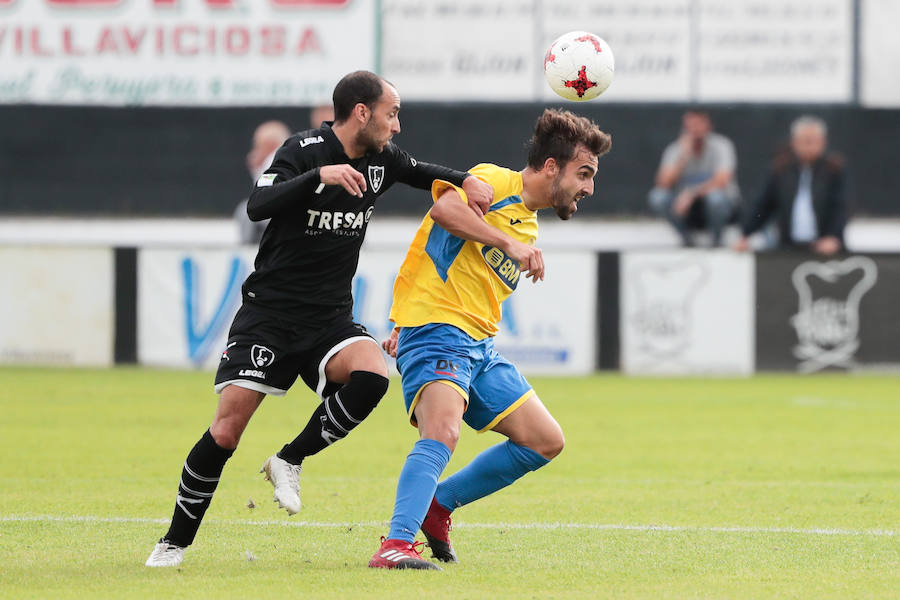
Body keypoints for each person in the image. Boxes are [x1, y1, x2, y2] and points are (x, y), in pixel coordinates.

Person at [146, 70, 493, 567]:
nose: (397, 125)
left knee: (372, 374)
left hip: (329, 318)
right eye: (392, 114)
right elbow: (258, 204)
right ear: (361, 112)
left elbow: (422, 171)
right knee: (226, 431)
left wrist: (467, 181)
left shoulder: (383, 159)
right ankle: (174, 542)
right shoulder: (303, 150)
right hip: (270, 315)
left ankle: (289, 458)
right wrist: (318, 178)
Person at [368, 109, 612, 570]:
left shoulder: (529, 223)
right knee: (442, 432)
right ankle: (395, 544)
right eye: (584, 173)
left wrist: (402, 320)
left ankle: (438, 505)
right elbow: (444, 211)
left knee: (544, 440)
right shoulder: (494, 182)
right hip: (439, 331)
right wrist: (507, 244)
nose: (590, 188)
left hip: (477, 345)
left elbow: (441, 253)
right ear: (551, 167)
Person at [734, 115, 848, 255]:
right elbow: (764, 205)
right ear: (794, 142)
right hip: (788, 249)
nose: (808, 146)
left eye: (813, 141)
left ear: (823, 142)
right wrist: (746, 234)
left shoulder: (834, 169)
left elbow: (840, 207)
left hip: (825, 250)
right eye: (805, 141)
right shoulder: (781, 169)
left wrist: (833, 237)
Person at [648, 110, 740, 247]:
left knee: (716, 199)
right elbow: (663, 183)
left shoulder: (722, 146)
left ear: (708, 126)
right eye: (691, 125)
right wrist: (683, 157)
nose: (695, 130)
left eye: (699, 124)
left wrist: (691, 194)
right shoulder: (676, 149)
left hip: (718, 208)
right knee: (657, 197)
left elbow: (722, 180)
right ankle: (687, 240)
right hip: (686, 209)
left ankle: (716, 241)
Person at [234, 120, 292, 245]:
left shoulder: (274, 159)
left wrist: (257, 169)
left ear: (270, 144)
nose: (255, 149)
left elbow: (262, 195)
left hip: (283, 215)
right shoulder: (293, 155)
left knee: (245, 210)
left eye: (257, 144)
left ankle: (249, 249)